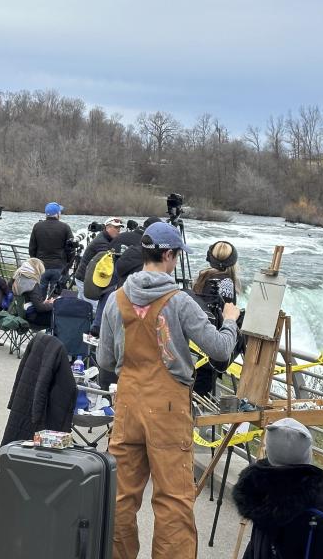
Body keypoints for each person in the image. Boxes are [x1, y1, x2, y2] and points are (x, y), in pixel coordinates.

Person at [96, 222, 240, 558]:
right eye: (175, 255)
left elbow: (104, 360)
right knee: (173, 499)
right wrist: (231, 320)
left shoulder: (116, 299)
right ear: (167, 254)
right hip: (168, 408)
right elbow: (219, 350)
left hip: (128, 404)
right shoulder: (179, 301)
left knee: (120, 497)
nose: (176, 261)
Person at [233, 418, 323, 559]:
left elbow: (255, 545)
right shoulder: (322, 499)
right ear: (307, 454)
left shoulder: (256, 490)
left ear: (269, 450)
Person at [190, 240, 242, 397]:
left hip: (194, 345)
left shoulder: (202, 277)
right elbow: (228, 311)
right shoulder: (226, 282)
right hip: (212, 346)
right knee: (199, 396)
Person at [28, 201, 74, 296]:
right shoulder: (65, 227)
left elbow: (32, 248)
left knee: (39, 295)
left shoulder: (37, 226)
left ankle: (39, 310)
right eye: (60, 212)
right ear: (57, 214)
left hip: (41, 266)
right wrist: (68, 264)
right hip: (59, 266)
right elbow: (71, 248)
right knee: (56, 295)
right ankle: (52, 310)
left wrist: (36, 262)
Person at [74, 216, 125, 300]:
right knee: (93, 307)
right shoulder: (102, 242)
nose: (118, 230)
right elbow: (108, 265)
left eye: (119, 227)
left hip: (84, 276)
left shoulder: (106, 238)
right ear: (107, 227)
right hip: (85, 279)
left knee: (82, 305)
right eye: (116, 227)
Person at [11, 257, 55, 328]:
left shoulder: (16, 278)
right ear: (37, 271)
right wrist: (53, 304)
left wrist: (44, 303)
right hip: (31, 318)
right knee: (57, 317)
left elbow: (27, 300)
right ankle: (48, 338)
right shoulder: (33, 284)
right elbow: (39, 308)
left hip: (17, 313)